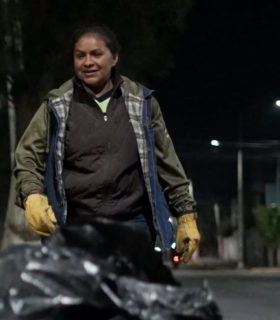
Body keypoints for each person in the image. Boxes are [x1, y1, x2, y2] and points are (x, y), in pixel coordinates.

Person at [13, 24, 200, 262]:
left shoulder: (141, 103)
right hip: (76, 227)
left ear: (115, 57)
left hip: (133, 225)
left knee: (131, 296)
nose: (88, 62)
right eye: (80, 56)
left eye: (96, 54)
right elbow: (27, 155)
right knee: (83, 298)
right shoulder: (57, 105)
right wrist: (32, 195)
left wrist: (186, 215)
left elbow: (167, 163)